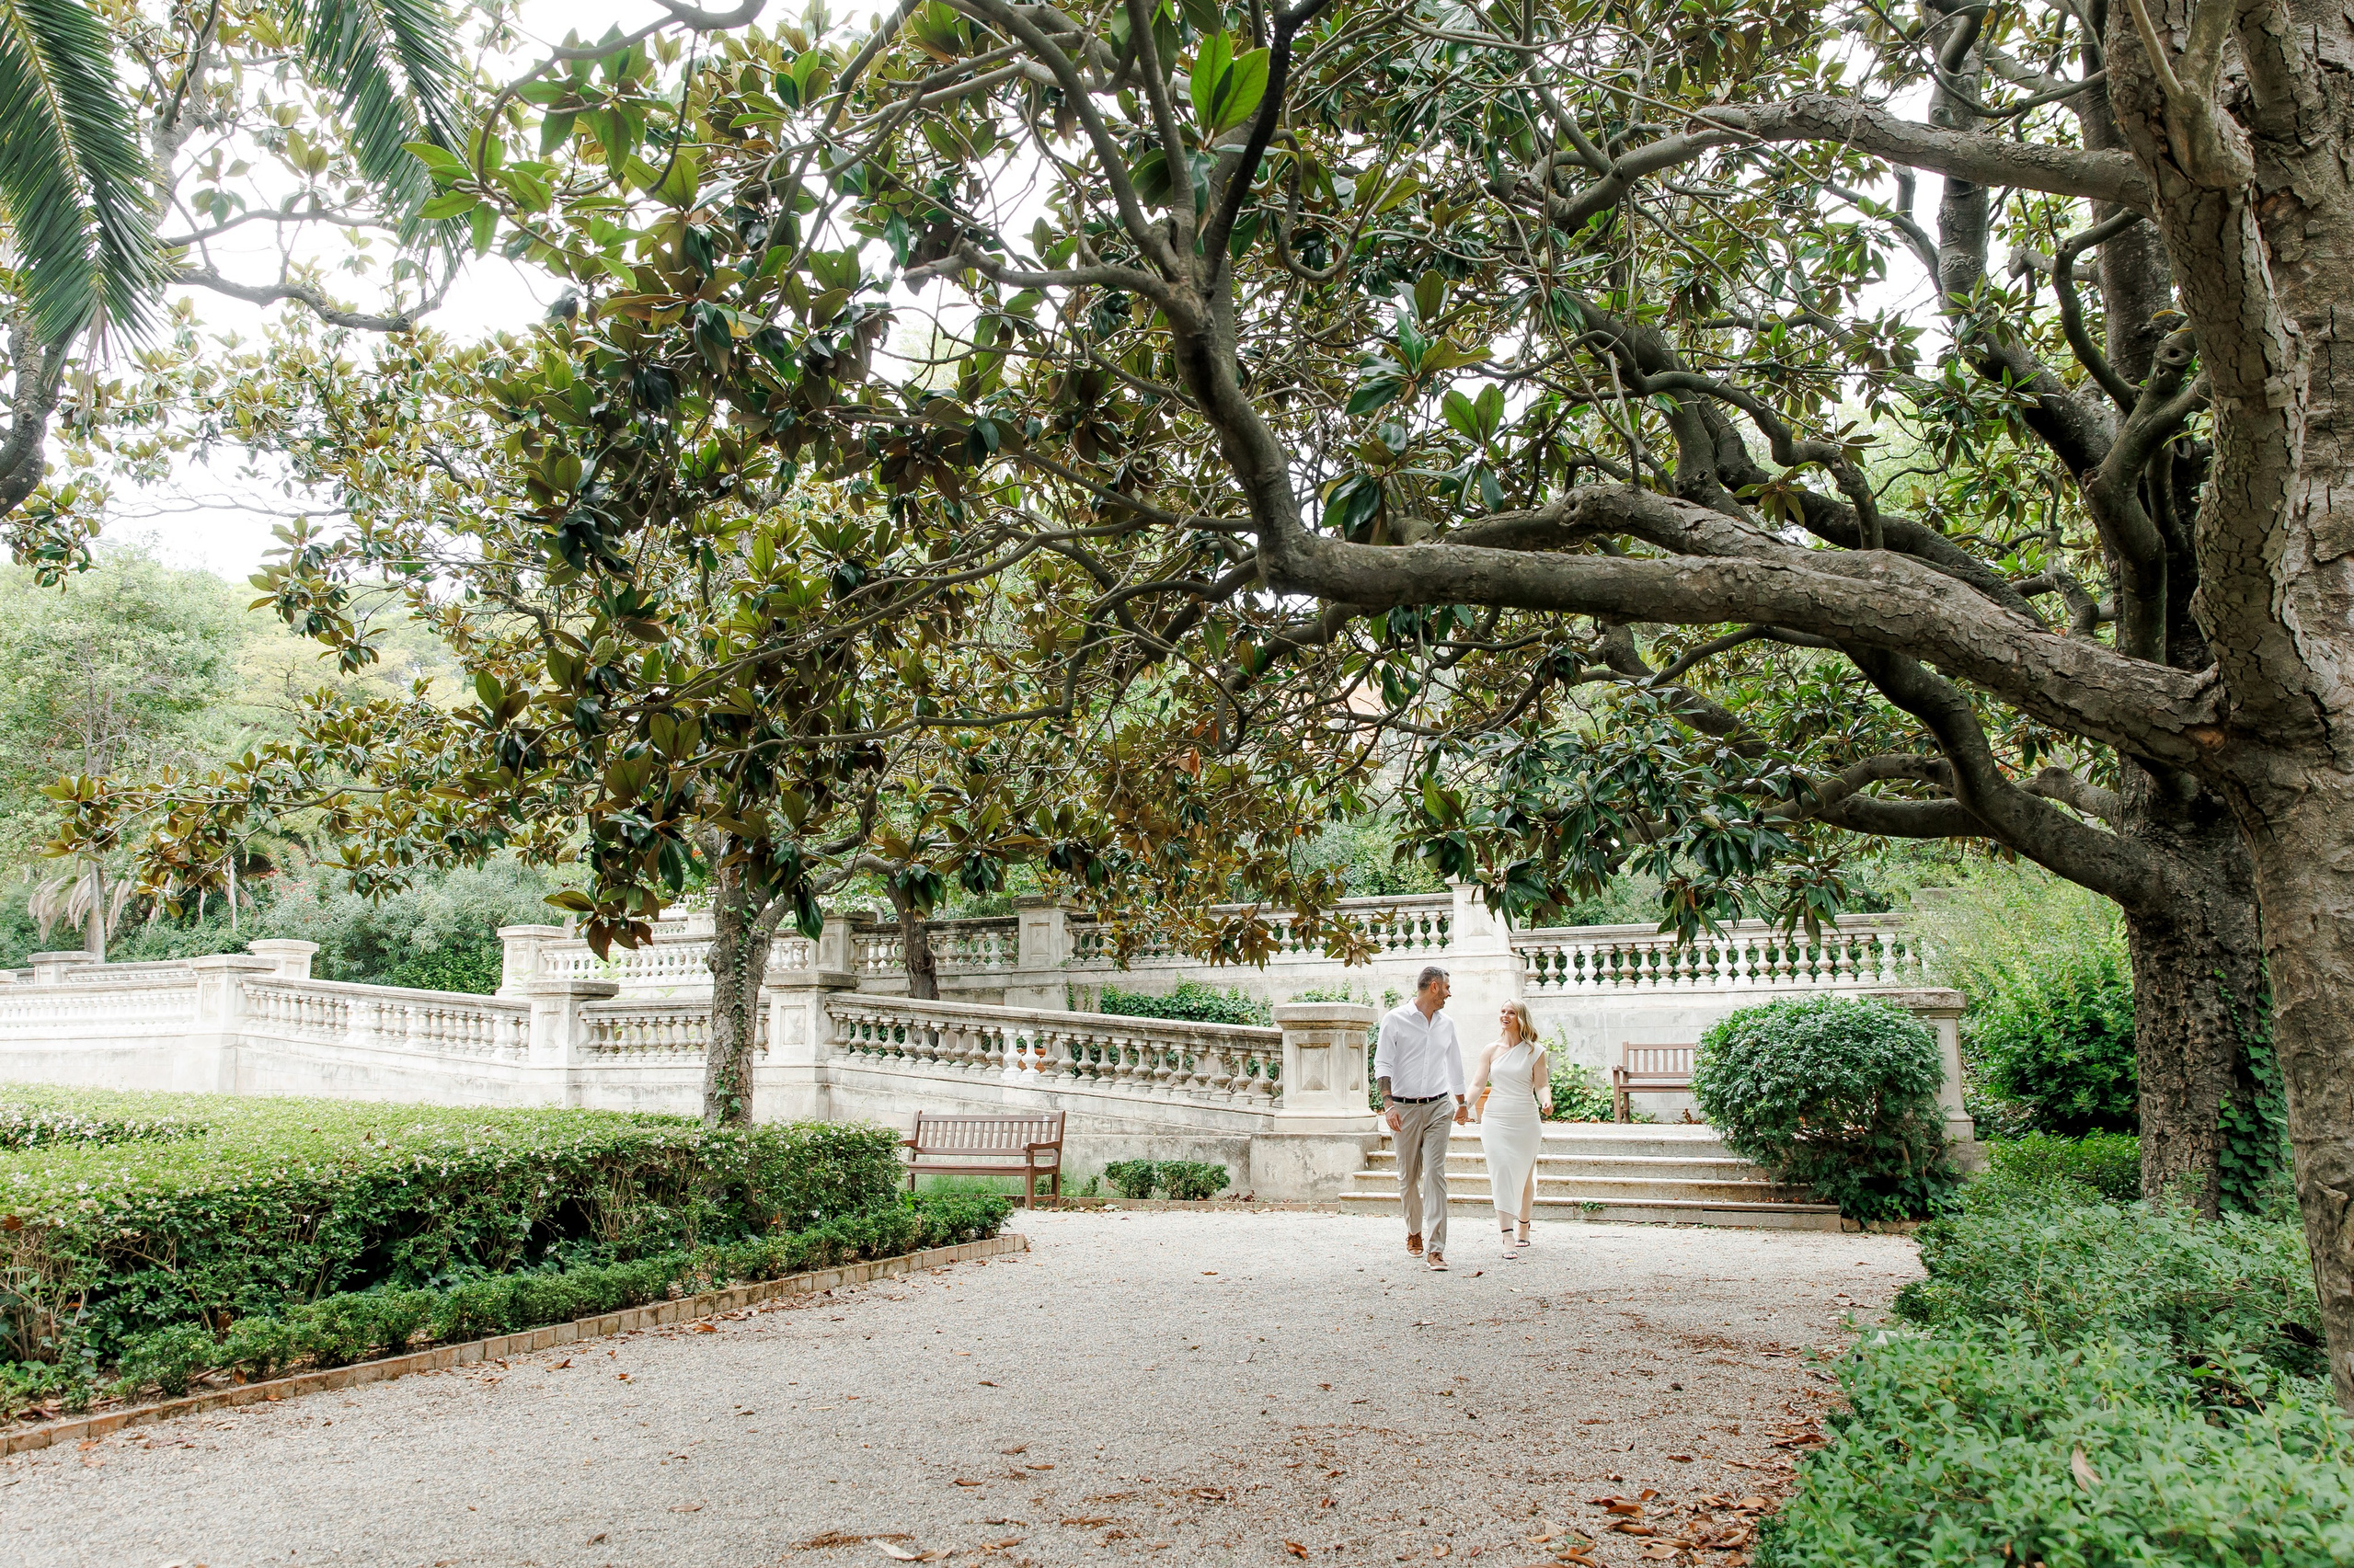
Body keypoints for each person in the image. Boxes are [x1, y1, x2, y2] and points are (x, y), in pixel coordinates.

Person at [1373, 966, 1466, 1271]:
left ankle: (1436, 1248)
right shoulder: (1395, 1019)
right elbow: (1383, 1064)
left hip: (1440, 1106)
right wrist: (1388, 1105)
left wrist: (1462, 1101)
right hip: (1404, 1108)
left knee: (1435, 1174)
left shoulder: (1447, 1024)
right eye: (1448, 988)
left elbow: (1454, 1064)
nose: (1450, 994)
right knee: (1408, 1177)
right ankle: (1414, 1230)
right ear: (1435, 987)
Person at [1468, 1000, 1550, 1259]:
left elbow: (1541, 1084)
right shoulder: (1490, 1050)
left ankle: (1524, 1226)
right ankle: (1507, 1235)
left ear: (1521, 1017)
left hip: (1525, 1118)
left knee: (1525, 1177)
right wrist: (1464, 1105)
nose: (1505, 1015)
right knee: (1501, 1170)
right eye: (1502, 1011)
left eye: (1511, 1012)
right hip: (1494, 1118)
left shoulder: (1534, 1051)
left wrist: (1546, 1099)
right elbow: (1478, 1083)